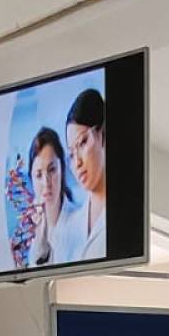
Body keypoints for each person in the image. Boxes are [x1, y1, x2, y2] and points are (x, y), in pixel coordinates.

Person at [27, 127, 84, 268]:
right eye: (38, 175)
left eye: (52, 170)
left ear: (62, 170)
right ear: (31, 179)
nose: (46, 182)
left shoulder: (81, 221)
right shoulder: (33, 238)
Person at [66, 88, 107, 261]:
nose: (77, 162)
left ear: (102, 134)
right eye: (71, 154)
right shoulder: (71, 225)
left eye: (82, 143)